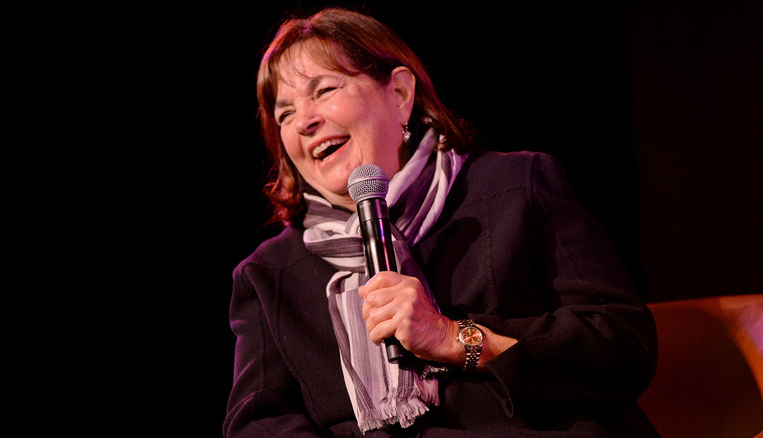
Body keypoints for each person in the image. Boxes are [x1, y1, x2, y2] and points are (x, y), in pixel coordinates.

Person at [224, 7, 659, 437]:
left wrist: (454, 337)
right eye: (284, 114)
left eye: (323, 90)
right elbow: (259, 423)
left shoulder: (516, 187)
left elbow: (623, 346)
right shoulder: (269, 275)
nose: (304, 121)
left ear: (398, 95)